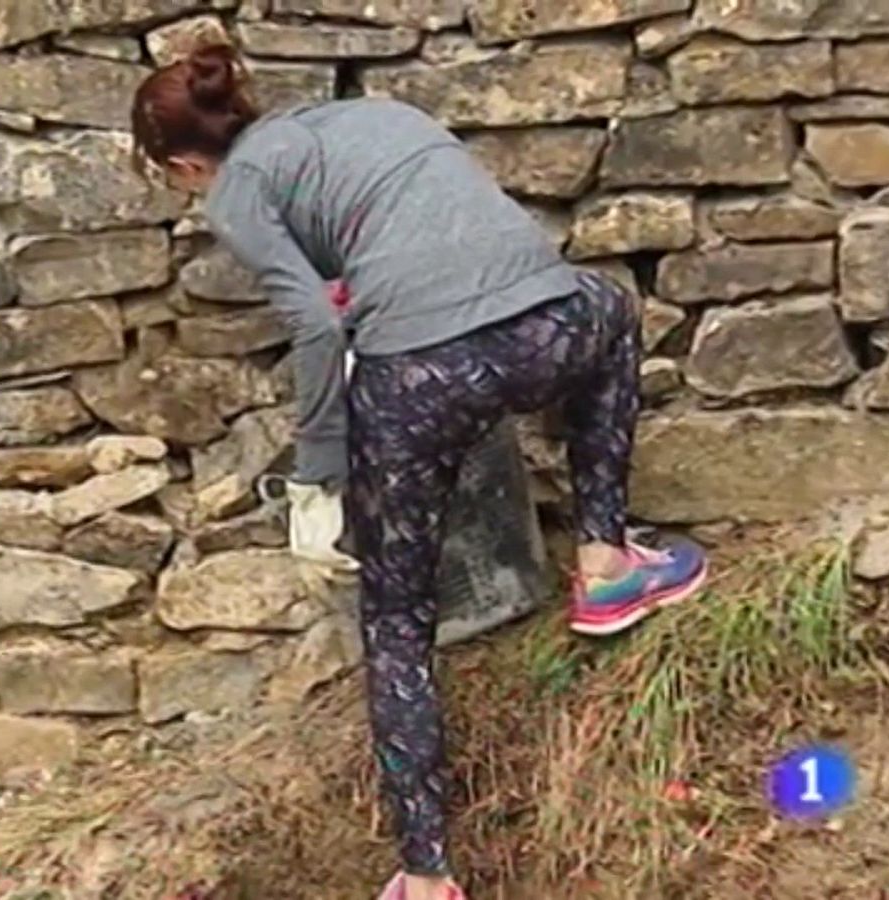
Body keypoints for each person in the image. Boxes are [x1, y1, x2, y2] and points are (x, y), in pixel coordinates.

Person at [130, 44, 710, 900]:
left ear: (185, 163)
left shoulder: (237, 190)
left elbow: (320, 331)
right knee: (613, 311)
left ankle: (427, 874)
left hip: (421, 380)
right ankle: (605, 562)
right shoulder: (376, 116)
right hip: (551, 323)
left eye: (177, 182)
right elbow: (440, 242)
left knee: (397, 623)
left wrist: (319, 477)